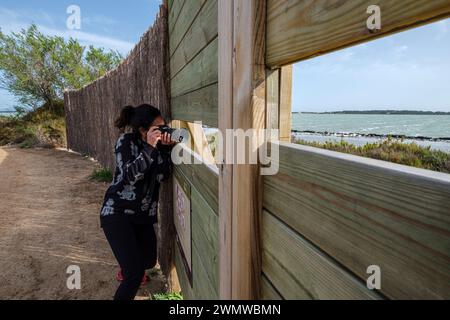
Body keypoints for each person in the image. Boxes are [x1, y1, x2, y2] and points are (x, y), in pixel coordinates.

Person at [100, 104, 174, 300]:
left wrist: (165, 149)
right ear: (143, 130)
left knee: (149, 261)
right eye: (157, 128)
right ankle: (129, 270)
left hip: (142, 216)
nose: (162, 131)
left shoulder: (158, 148)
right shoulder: (126, 142)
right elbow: (129, 175)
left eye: (163, 127)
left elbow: (163, 174)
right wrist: (150, 147)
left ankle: (128, 267)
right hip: (117, 213)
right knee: (134, 275)